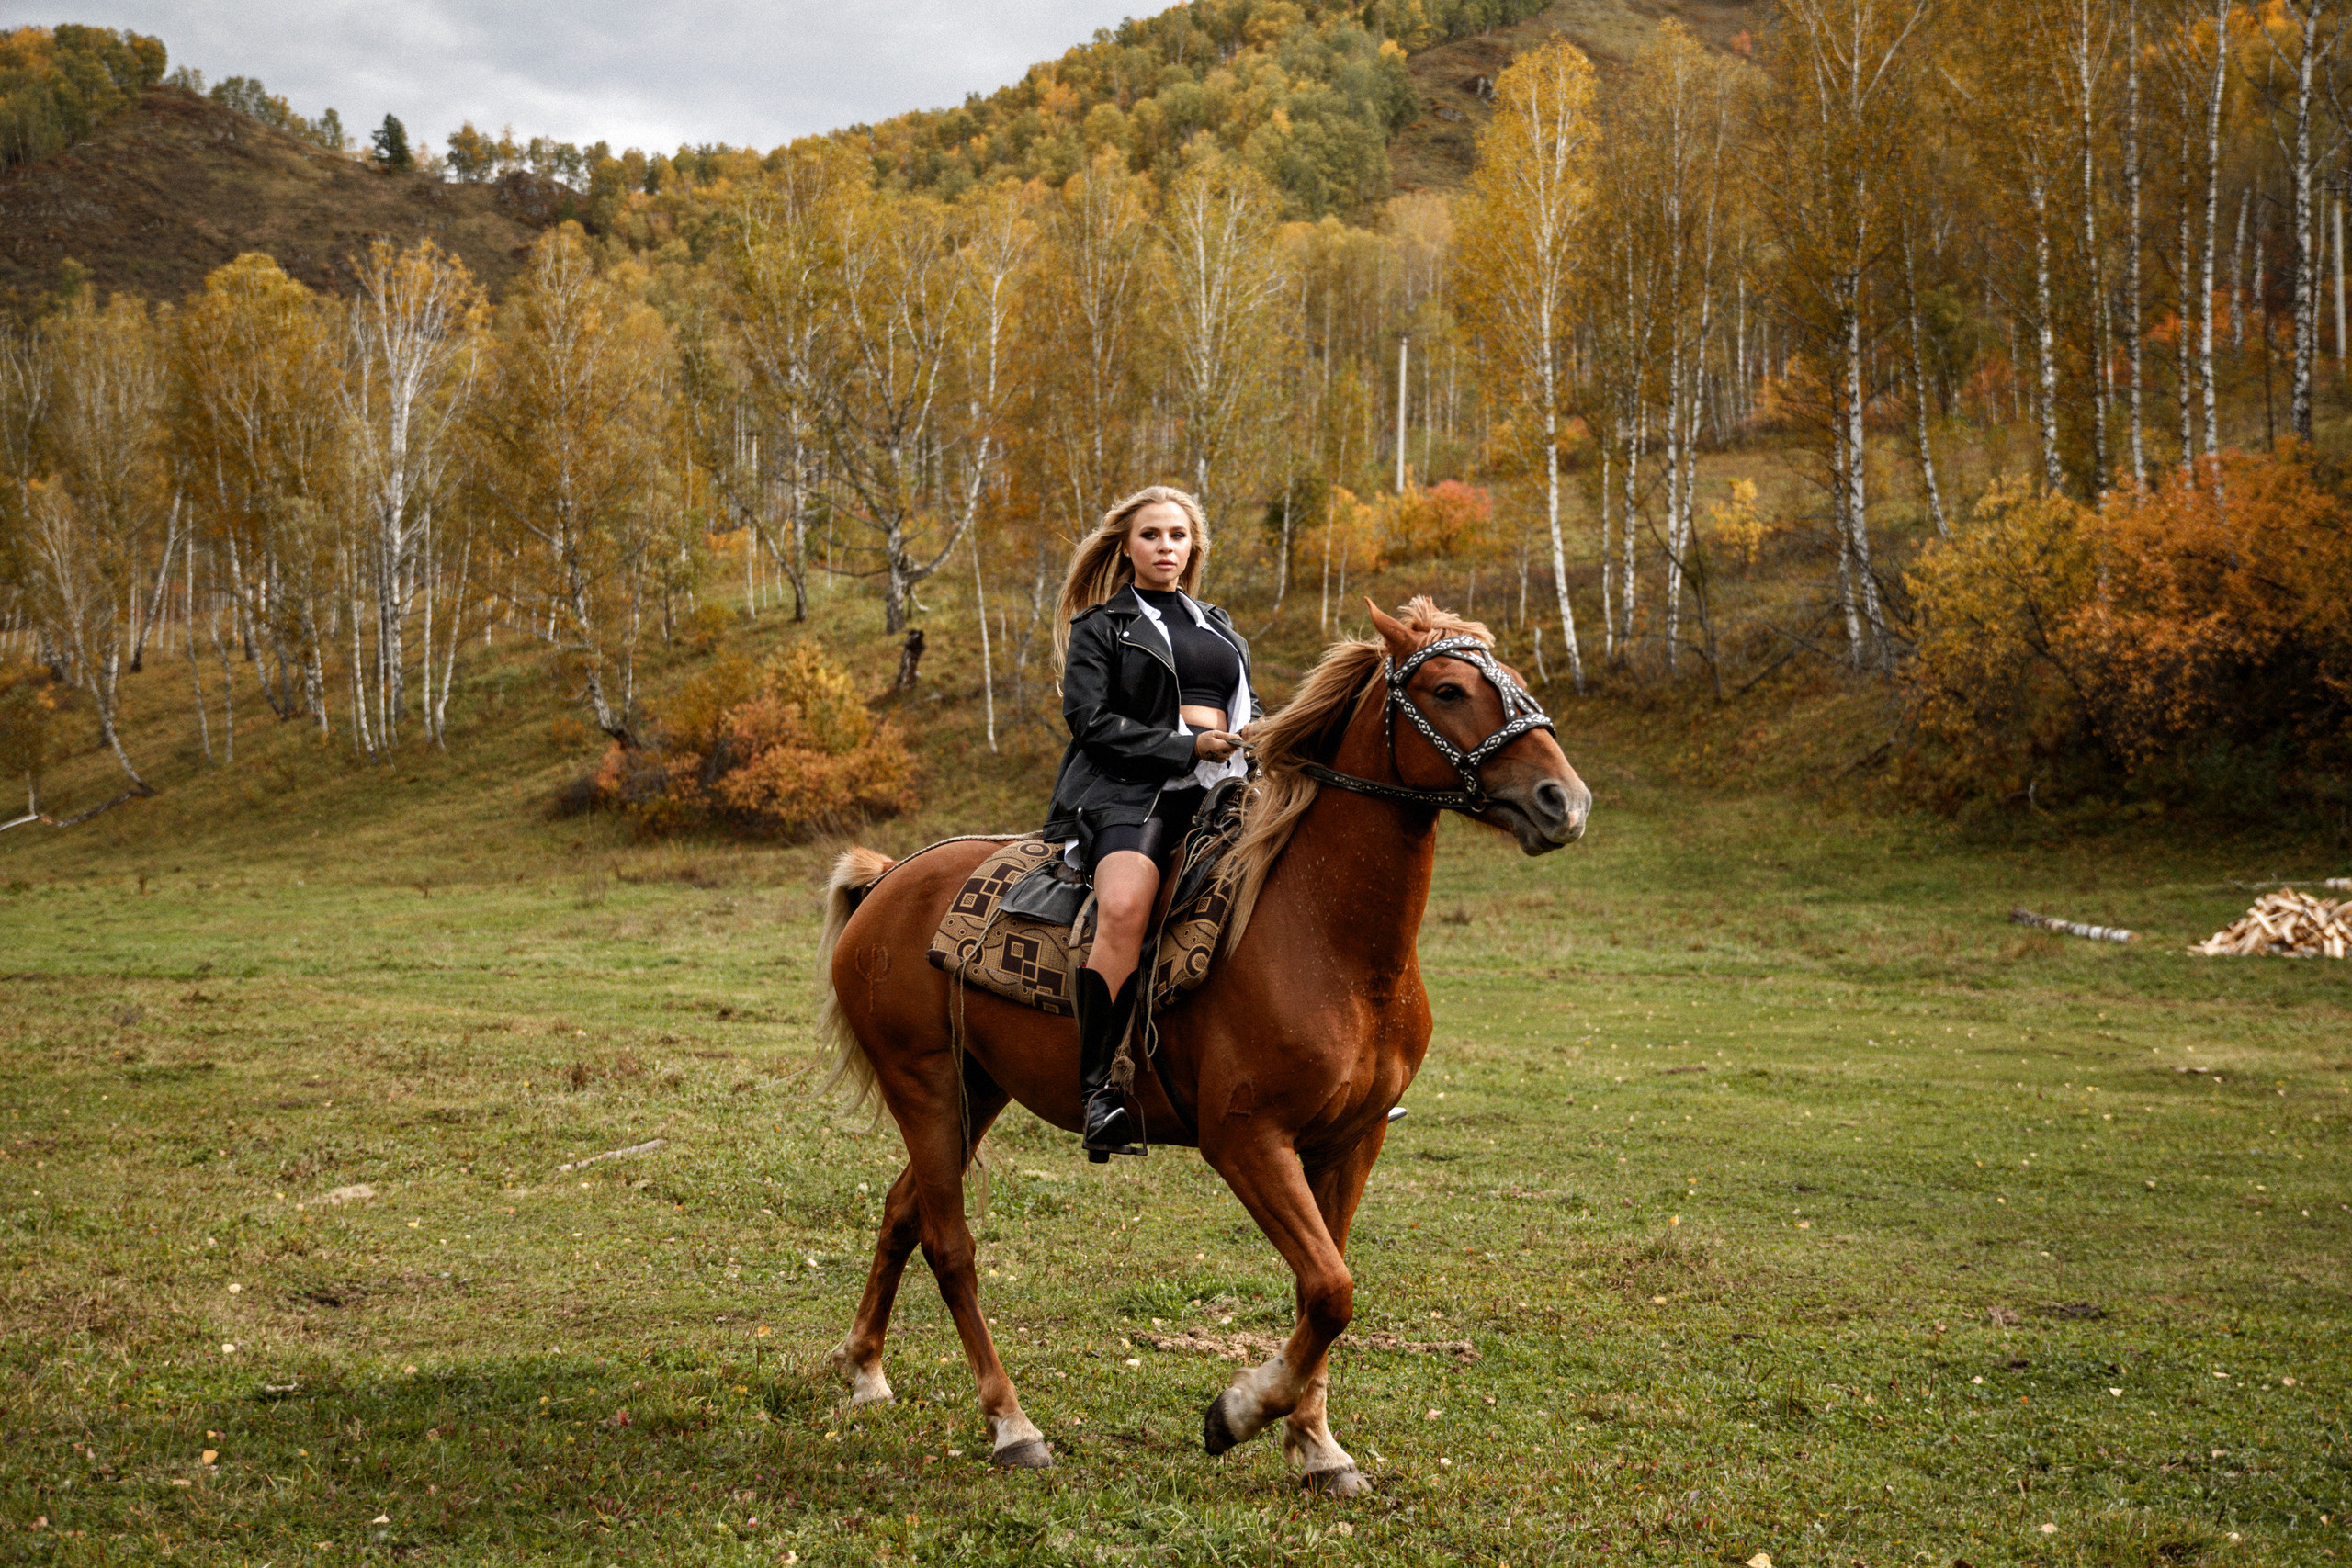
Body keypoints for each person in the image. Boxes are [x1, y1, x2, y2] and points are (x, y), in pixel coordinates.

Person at [1042, 485, 1257, 1159]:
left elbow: (1244, 703)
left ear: (1194, 548)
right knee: (1125, 909)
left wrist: (1258, 733)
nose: (1167, 547)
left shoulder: (1217, 624)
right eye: (1151, 535)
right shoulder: (1100, 626)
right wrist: (1184, 748)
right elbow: (1090, 721)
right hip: (1128, 792)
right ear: (1127, 547)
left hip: (1228, 787)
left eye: (1178, 535)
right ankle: (1099, 1094)